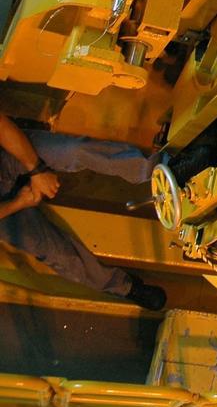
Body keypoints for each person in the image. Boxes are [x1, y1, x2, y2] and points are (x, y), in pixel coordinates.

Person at [0, 114, 166, 311]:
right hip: (6, 209)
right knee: (57, 254)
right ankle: (126, 287)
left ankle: (162, 167)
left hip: (5, 156)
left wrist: (37, 170)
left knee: (73, 151)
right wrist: (21, 201)